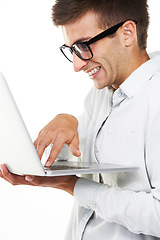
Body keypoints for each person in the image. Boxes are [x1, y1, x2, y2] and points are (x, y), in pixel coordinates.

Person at [0, 0, 160, 239]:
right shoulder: (99, 95)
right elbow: (85, 162)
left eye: (84, 45)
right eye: (71, 50)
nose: (77, 65)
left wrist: (73, 186)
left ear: (127, 33)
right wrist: (66, 129)